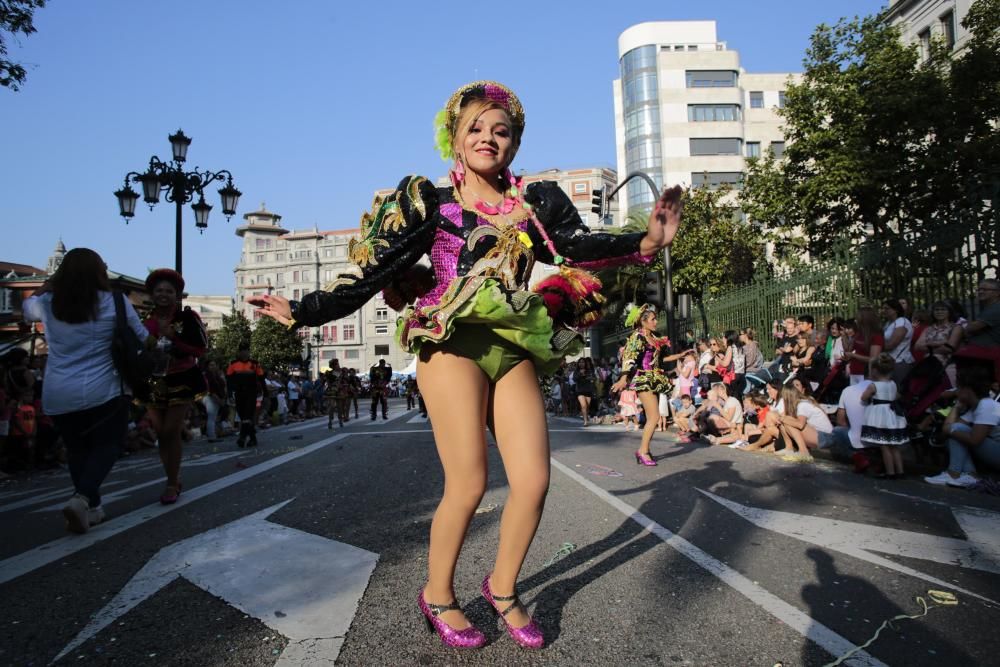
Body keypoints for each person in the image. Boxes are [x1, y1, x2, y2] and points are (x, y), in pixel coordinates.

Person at [247, 80, 682, 650]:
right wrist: (303, 311)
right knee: (470, 481)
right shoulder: (434, 203)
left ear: (515, 145)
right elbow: (375, 272)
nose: (488, 137)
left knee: (533, 481)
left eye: (501, 131)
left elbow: (578, 246)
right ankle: (438, 594)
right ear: (453, 139)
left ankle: (503, 589)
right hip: (449, 339)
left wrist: (646, 242)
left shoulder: (537, 204)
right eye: (475, 127)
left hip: (512, 341)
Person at [22, 248, 150, 533]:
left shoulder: (49, 303)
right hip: (104, 388)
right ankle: (82, 498)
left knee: (77, 449)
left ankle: (92, 508)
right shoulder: (114, 301)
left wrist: (50, 283)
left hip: (58, 389)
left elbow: (27, 307)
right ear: (98, 273)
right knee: (109, 444)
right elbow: (142, 338)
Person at [141, 269, 208, 504]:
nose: (163, 295)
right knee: (161, 432)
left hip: (181, 378)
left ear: (177, 295)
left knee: (170, 430)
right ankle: (172, 478)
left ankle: (172, 482)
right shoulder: (144, 321)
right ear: (151, 294)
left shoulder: (187, 319)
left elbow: (200, 349)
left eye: (169, 291)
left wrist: (174, 339)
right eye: (159, 290)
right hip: (152, 381)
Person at [611, 304, 673, 466]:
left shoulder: (654, 337)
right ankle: (643, 451)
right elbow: (629, 357)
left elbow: (660, 360)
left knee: (654, 416)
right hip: (643, 378)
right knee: (654, 417)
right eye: (653, 319)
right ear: (643, 322)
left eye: (655, 319)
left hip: (654, 378)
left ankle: (644, 450)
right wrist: (624, 378)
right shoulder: (637, 337)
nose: (655, 322)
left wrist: (680, 355)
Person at [924, 365, 1000, 488]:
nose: (956, 391)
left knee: (958, 431)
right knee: (955, 434)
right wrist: (956, 407)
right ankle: (969, 475)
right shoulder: (976, 406)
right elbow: (947, 429)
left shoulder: (987, 406)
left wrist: (951, 430)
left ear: (968, 390)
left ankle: (954, 473)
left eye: (958, 388)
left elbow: (975, 440)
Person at [860, 354, 909, 479]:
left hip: (880, 416)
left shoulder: (873, 386)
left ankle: (890, 472)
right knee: (894, 446)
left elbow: (864, 397)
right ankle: (900, 471)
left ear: (875, 371)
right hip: (892, 414)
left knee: (884, 446)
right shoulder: (893, 384)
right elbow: (897, 396)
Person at [773, 385, 833, 460]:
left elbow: (800, 425)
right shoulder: (801, 403)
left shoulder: (803, 405)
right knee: (785, 420)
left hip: (825, 437)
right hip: (820, 436)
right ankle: (789, 449)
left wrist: (783, 419)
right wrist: (782, 419)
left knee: (787, 421)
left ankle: (804, 452)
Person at [843, 306, 883, 385]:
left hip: (865, 373)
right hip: (854, 371)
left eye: (857, 318)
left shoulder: (876, 336)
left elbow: (873, 359)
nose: (855, 321)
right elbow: (849, 349)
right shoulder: (859, 334)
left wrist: (853, 355)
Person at [880, 299, 914, 385]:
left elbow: (892, 344)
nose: (883, 311)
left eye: (887, 308)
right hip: (888, 361)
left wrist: (876, 346)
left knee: (899, 388)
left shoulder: (902, 322)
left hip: (900, 361)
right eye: (882, 308)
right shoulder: (888, 323)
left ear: (896, 310)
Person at [202, 359, 227, 442]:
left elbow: (222, 386)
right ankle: (212, 436)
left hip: (217, 397)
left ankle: (214, 434)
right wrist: (219, 400)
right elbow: (210, 390)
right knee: (211, 417)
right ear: (207, 367)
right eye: (211, 365)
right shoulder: (207, 376)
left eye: (214, 365)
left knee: (214, 417)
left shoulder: (216, 375)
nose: (213, 366)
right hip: (210, 397)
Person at [574, 357, 596, 427]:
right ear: (578, 364)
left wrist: (589, 378)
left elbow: (594, 378)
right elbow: (574, 379)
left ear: (585, 363)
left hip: (588, 390)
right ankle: (585, 421)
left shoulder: (589, 370)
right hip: (580, 391)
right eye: (580, 362)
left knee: (587, 406)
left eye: (583, 362)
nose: (581, 363)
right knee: (583, 406)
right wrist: (580, 374)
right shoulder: (576, 371)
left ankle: (586, 416)